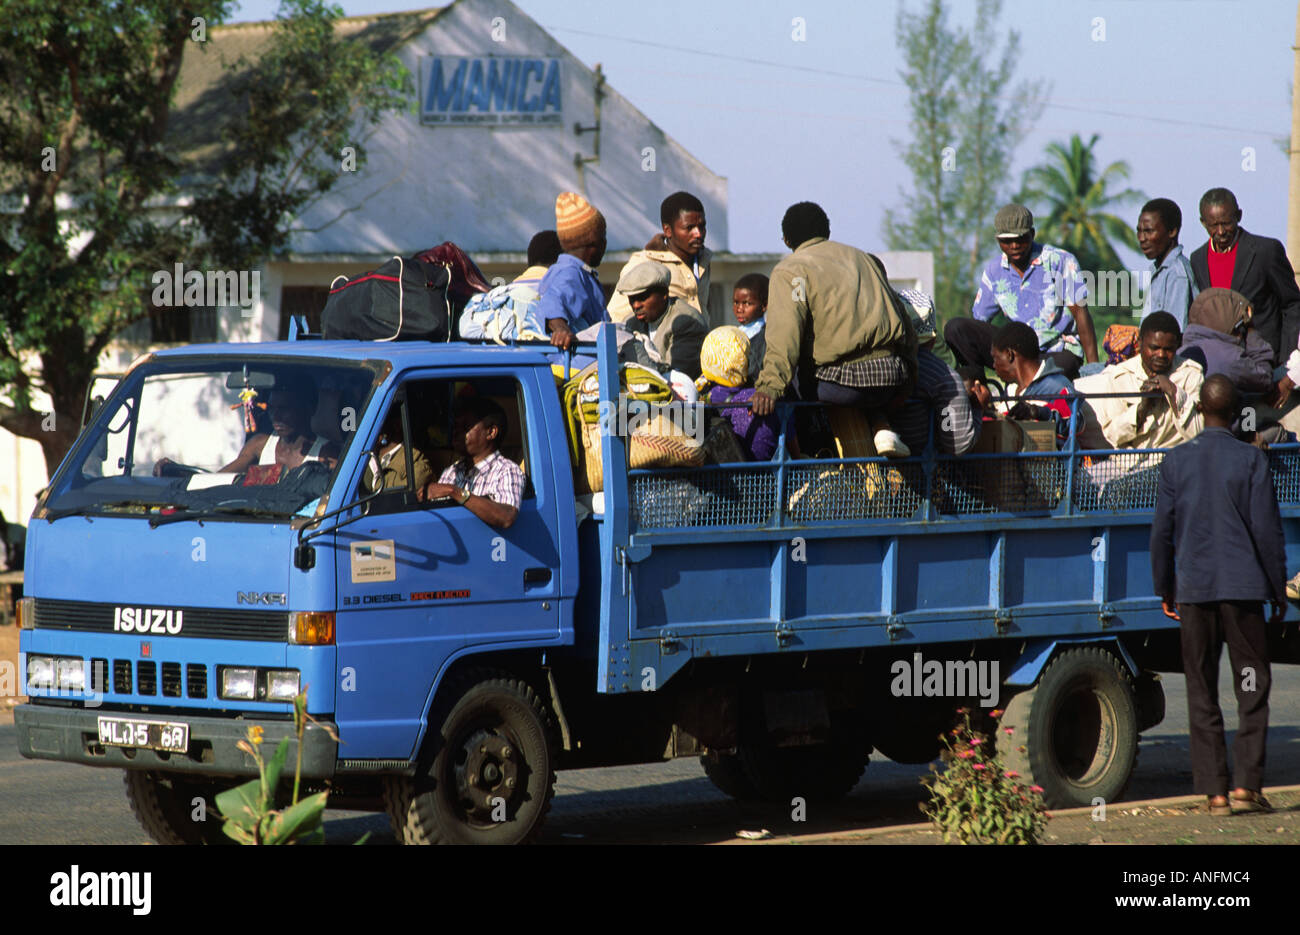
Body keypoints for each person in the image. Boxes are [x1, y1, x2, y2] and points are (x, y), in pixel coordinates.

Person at [1150, 374, 1285, 816]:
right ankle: (1248, 786)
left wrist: (1164, 588)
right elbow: (1267, 532)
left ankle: (1216, 794)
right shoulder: (1251, 461)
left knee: (1202, 688)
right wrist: (1277, 587)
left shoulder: (1175, 463)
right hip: (1244, 595)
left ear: (1203, 409)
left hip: (1195, 593)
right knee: (1250, 684)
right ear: (1234, 412)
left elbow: (1162, 534)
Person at [751, 201, 917, 459]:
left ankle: (806, 456)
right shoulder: (864, 259)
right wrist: (909, 379)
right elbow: (904, 323)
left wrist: (769, 387)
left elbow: (785, 338)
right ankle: (881, 426)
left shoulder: (791, 270)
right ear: (826, 232)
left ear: (785, 240)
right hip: (892, 376)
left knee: (789, 380)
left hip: (844, 385)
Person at [947, 203, 1099, 380]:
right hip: (1016, 353)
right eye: (1007, 241)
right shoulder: (994, 271)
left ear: (1032, 234)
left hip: (1056, 352)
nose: (1014, 245)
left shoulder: (1059, 261)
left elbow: (1081, 314)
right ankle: (978, 393)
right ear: (998, 240)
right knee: (957, 328)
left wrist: (1094, 369)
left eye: (1021, 239)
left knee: (1048, 374)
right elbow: (980, 321)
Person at [1190, 188, 1300, 365]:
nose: (1220, 231)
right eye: (1213, 225)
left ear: (1238, 216)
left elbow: (1293, 304)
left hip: (1265, 361)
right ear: (1203, 223)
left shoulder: (1266, 251)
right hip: (1219, 365)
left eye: (1226, 223)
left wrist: (1288, 362)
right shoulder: (1197, 259)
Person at [1074, 311, 1204, 450]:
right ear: (1140, 343)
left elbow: (1198, 435)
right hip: (1129, 465)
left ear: (1177, 345)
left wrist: (1174, 392)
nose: (1161, 355)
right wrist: (1141, 408)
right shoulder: (1121, 376)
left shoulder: (1190, 374)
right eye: (1154, 348)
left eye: (1168, 349)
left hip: (1173, 461)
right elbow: (1113, 437)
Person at [991, 321, 1109, 450]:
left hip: (1054, 468)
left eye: (996, 358)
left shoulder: (1055, 385)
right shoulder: (1011, 391)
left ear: (1010, 355)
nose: (993, 365)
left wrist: (1039, 412)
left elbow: (1075, 424)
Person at [892, 290, 983, 456]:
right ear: (933, 339)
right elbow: (957, 445)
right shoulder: (944, 379)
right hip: (921, 474)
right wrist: (977, 408)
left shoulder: (876, 364)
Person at [420, 397, 525, 530]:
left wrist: (454, 492)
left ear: (491, 432)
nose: (456, 432)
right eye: (455, 426)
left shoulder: (506, 470)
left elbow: (507, 516)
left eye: (465, 427)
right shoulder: (452, 471)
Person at [607, 191, 711, 324]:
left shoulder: (704, 260)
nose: (698, 234)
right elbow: (615, 319)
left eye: (702, 226)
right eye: (689, 228)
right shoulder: (644, 263)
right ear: (668, 230)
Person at [534, 192, 608, 351]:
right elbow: (553, 299)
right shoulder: (570, 273)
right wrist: (560, 328)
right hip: (583, 369)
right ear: (595, 243)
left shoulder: (579, 272)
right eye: (603, 237)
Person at [697, 326, 782, 461]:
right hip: (762, 476)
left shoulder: (699, 393)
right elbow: (788, 433)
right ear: (742, 361)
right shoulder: (760, 397)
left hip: (718, 476)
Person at [614, 260, 709, 379]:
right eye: (632, 299)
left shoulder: (687, 321)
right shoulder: (630, 323)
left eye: (642, 297)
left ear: (664, 293)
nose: (636, 305)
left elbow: (674, 376)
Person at [1177, 288, 1272, 394]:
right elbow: (1265, 378)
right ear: (1232, 326)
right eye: (1239, 326)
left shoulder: (1182, 352)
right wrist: (1251, 331)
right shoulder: (1231, 358)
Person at [218, 385, 329, 475]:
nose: (275, 417)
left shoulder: (326, 454)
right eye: (271, 408)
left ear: (308, 409)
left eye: (284, 409)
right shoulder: (259, 444)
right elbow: (220, 478)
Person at [1137, 198, 1198, 329]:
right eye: (1139, 231)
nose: (1142, 238)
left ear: (1172, 232)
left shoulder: (1177, 274)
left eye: (1149, 231)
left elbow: (1172, 334)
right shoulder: (1159, 271)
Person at [361, 407, 433, 494]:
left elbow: (398, 497)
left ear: (397, 425)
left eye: (375, 422)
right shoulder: (365, 456)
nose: (368, 430)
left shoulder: (415, 461)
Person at [732, 272, 768, 380]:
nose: (739, 309)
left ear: (764, 306)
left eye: (747, 303)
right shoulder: (735, 332)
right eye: (736, 302)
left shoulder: (764, 338)